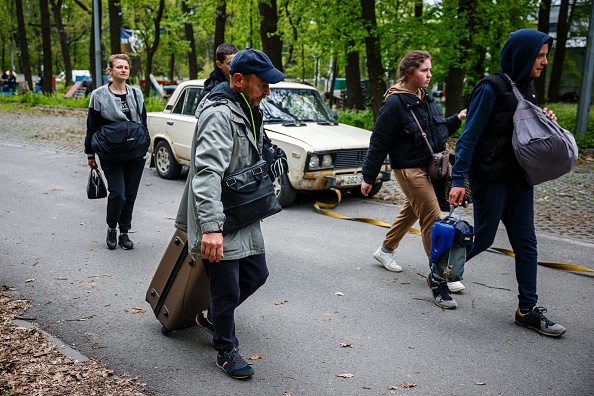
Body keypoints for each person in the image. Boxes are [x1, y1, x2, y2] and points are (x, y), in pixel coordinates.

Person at [175, 48, 285, 379]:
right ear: (238, 80)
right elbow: (206, 173)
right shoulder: (219, 114)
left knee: (257, 274)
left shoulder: (247, 106)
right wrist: (210, 228)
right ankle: (225, 349)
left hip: (241, 209)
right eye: (263, 85)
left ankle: (212, 317)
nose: (268, 92)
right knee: (227, 289)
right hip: (219, 214)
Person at [449, 29, 566, 336]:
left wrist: (542, 118)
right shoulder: (490, 88)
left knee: (527, 244)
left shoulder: (527, 88)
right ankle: (441, 270)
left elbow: (519, 126)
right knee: (483, 238)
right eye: (539, 56)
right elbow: (469, 136)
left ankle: (527, 309)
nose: (544, 62)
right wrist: (458, 179)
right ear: (522, 56)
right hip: (491, 178)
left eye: (545, 56)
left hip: (519, 178)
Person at [361, 50, 467, 309]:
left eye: (430, 70)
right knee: (432, 216)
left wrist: (457, 119)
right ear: (409, 72)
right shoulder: (394, 103)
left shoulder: (426, 98)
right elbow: (379, 141)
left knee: (413, 209)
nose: (429, 75)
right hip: (408, 169)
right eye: (424, 70)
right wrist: (368, 176)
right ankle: (441, 273)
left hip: (430, 167)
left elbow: (438, 129)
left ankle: (385, 251)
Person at [84, 54, 147, 251]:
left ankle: (124, 232)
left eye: (126, 67)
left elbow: (143, 123)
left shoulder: (137, 94)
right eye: (119, 67)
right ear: (110, 71)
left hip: (135, 153)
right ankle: (112, 228)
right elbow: (92, 126)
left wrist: (145, 147)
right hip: (110, 153)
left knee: (130, 194)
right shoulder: (98, 95)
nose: (123, 70)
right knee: (118, 194)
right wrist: (90, 155)